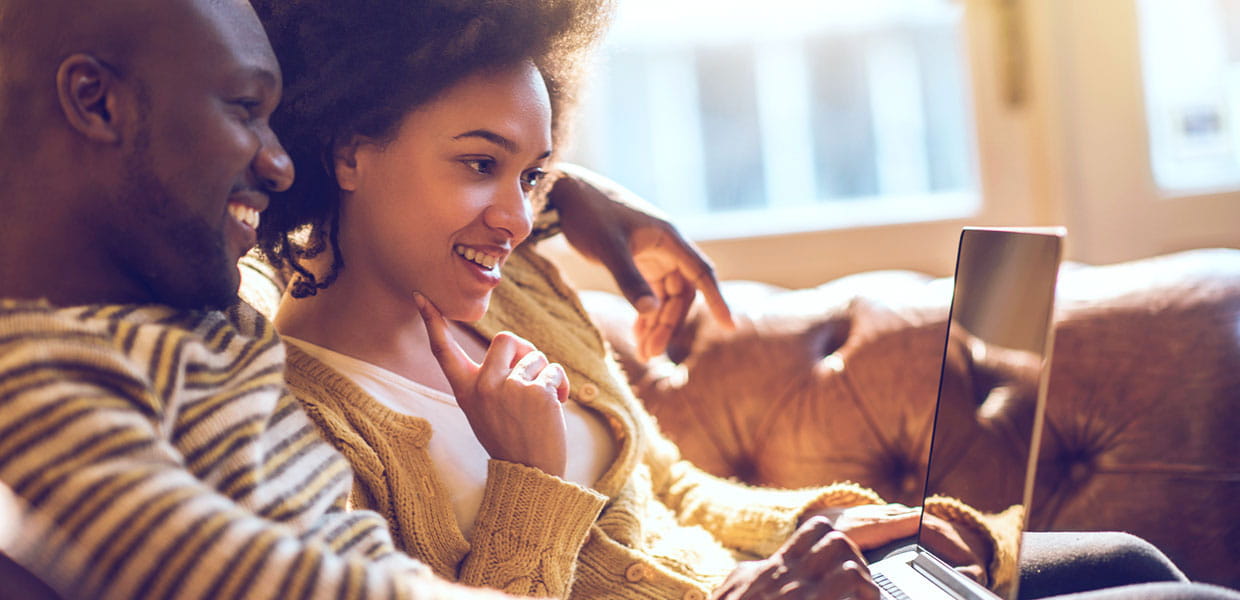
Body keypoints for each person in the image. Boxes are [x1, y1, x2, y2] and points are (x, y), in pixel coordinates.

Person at [250, 1, 1018, 598]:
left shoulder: (519, 292)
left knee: (1126, 561)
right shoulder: (308, 427)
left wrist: (823, 528)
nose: (519, 218)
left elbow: (668, 489)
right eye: (480, 162)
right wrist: (533, 481)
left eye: (531, 175)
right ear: (348, 150)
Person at [0, 0, 681, 598]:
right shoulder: (37, 371)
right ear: (95, 100)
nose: (280, 163)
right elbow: (216, 565)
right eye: (244, 110)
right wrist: (532, 487)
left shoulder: (206, 314)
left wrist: (557, 189)